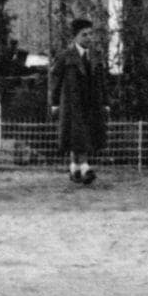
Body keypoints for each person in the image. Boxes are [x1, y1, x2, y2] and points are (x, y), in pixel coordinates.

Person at [49, 18, 109, 185]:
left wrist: (105, 101)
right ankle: (85, 167)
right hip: (72, 103)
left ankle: (75, 167)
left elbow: (103, 81)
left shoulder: (96, 56)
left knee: (85, 135)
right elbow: (55, 80)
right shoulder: (65, 56)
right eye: (84, 35)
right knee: (78, 135)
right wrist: (54, 103)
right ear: (75, 37)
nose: (89, 38)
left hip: (92, 103)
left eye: (91, 34)